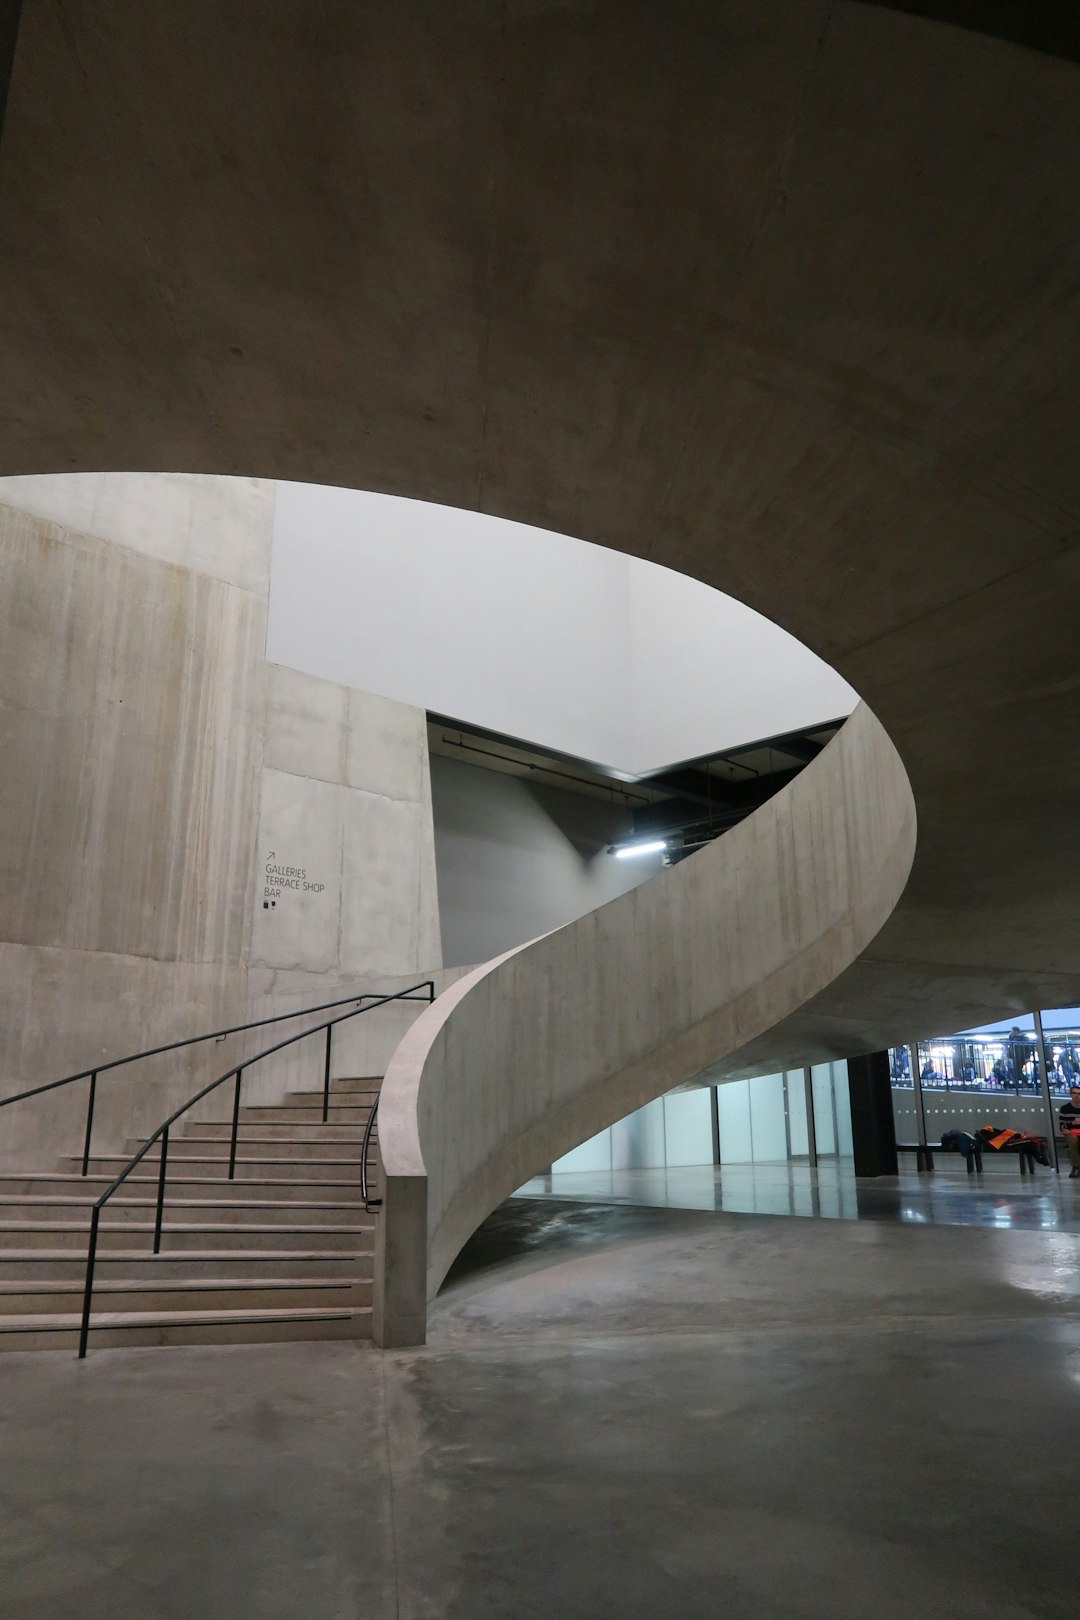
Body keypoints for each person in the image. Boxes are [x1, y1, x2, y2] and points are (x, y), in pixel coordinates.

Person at [1059, 1085, 1080, 1179]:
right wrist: (1073, 1123)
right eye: (1074, 1093)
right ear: (1071, 1094)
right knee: (1073, 1140)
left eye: (1079, 1094)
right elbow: (1062, 1127)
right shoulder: (1065, 1108)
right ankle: (1075, 1167)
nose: (1076, 1096)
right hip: (1071, 1133)